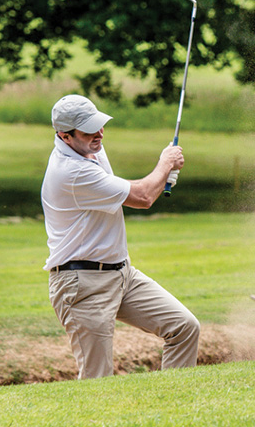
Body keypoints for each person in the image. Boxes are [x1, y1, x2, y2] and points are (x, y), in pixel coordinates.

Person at [41, 94, 200, 379]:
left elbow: (137, 188)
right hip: (82, 285)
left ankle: (175, 407)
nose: (99, 133)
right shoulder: (71, 172)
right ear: (65, 136)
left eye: (99, 125)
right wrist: (165, 164)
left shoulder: (89, 148)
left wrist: (166, 174)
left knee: (184, 327)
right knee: (97, 379)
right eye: (89, 130)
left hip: (122, 274)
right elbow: (142, 197)